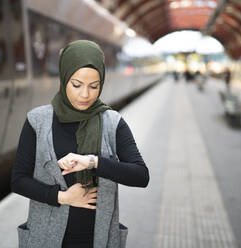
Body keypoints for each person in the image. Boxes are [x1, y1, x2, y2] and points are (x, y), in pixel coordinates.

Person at [11, 40, 149, 248]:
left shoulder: (112, 122)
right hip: (46, 239)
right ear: (64, 78)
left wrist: (93, 162)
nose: (85, 95)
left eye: (94, 86)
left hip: (98, 240)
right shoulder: (37, 121)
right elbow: (18, 180)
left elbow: (141, 175)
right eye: (77, 85)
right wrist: (62, 197)